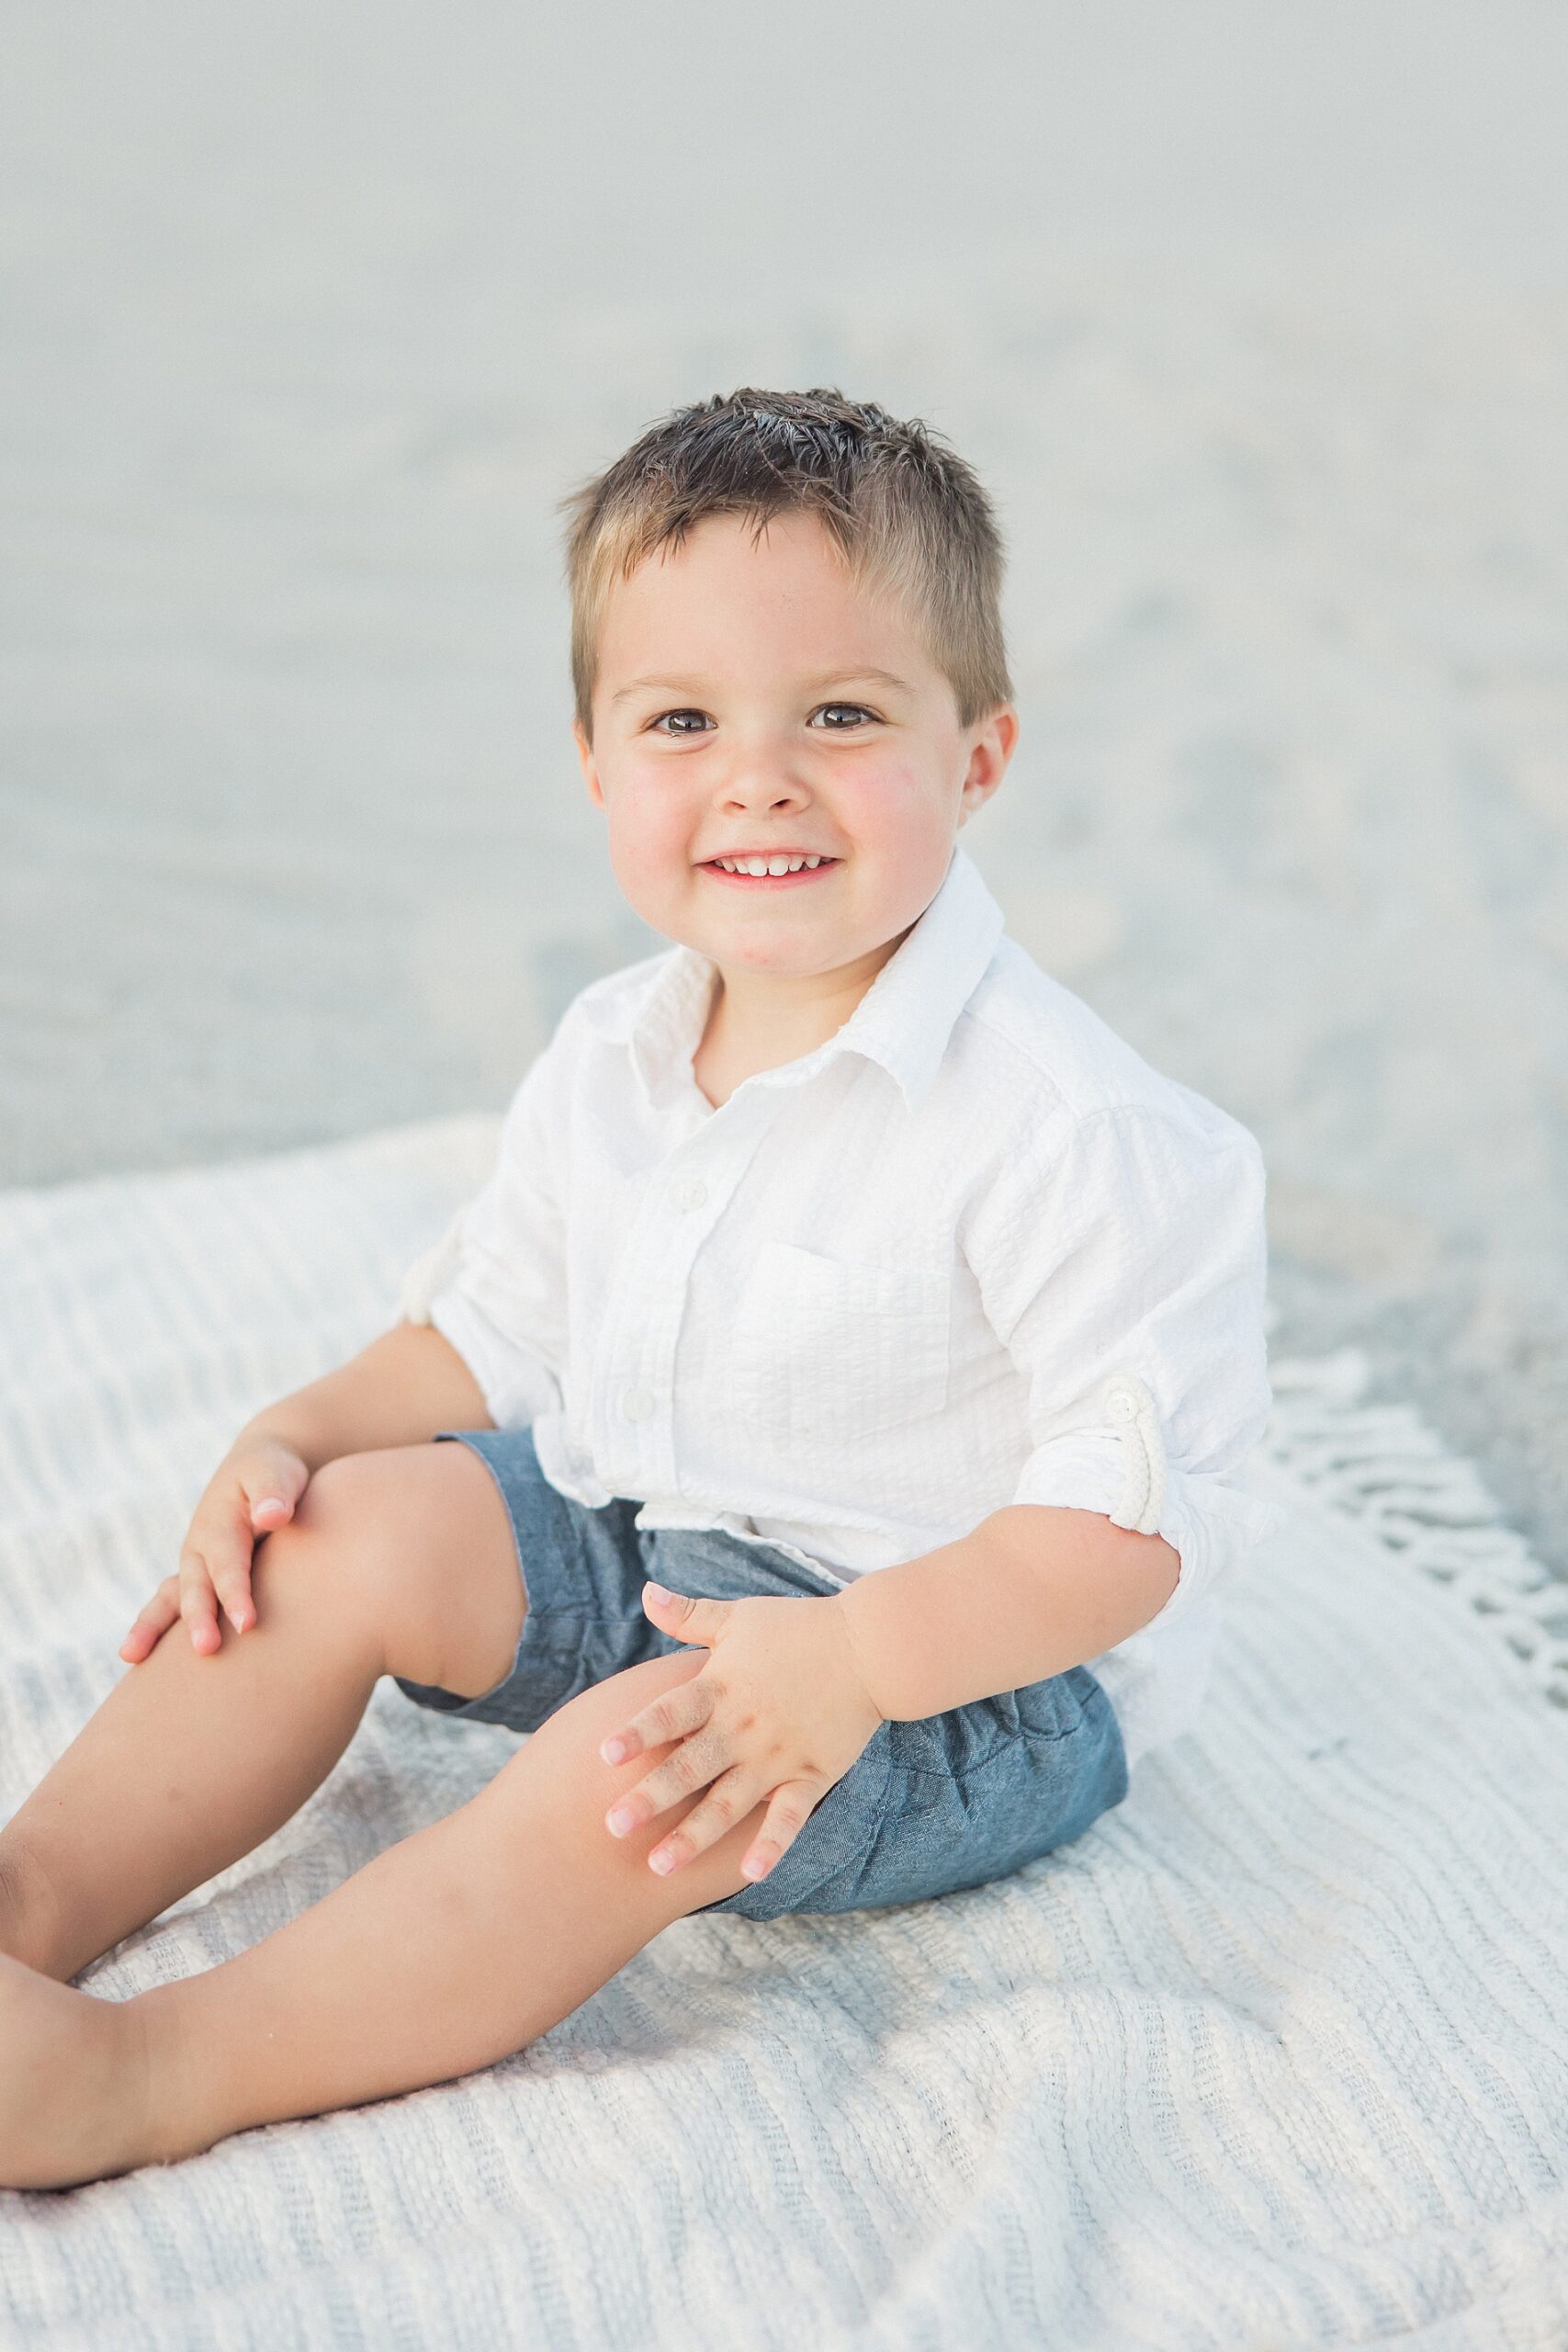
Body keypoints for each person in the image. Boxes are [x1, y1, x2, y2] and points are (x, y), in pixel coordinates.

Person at [0, 388, 1282, 2188]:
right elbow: (486, 1336)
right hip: (673, 1525)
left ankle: (146, 2072)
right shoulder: (618, 1046)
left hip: (966, 1668)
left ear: (977, 755)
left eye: (839, 715)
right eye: (683, 720)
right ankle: (35, 1894)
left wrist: (847, 1656)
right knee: (343, 1526)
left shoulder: (1066, 1127)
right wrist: (290, 1429)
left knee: (636, 1762)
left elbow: (1120, 1534)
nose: (757, 775)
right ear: (598, 764)